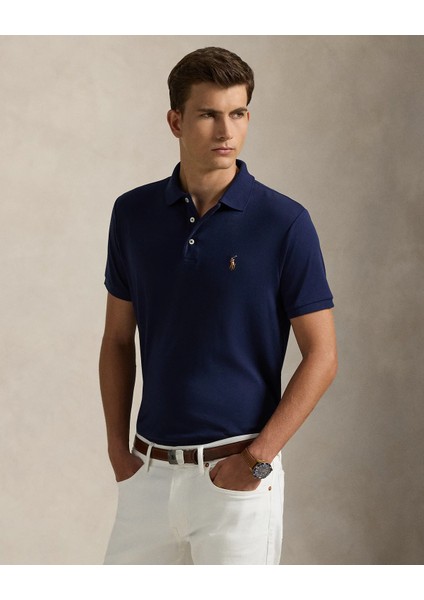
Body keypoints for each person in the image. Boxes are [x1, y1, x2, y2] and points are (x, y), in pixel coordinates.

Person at [99, 46, 337, 565]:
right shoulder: (133, 214)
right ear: (175, 121)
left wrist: (256, 461)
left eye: (239, 113)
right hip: (147, 476)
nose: (226, 130)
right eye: (209, 114)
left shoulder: (285, 223)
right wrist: (119, 451)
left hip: (237, 482)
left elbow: (322, 355)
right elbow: (117, 338)